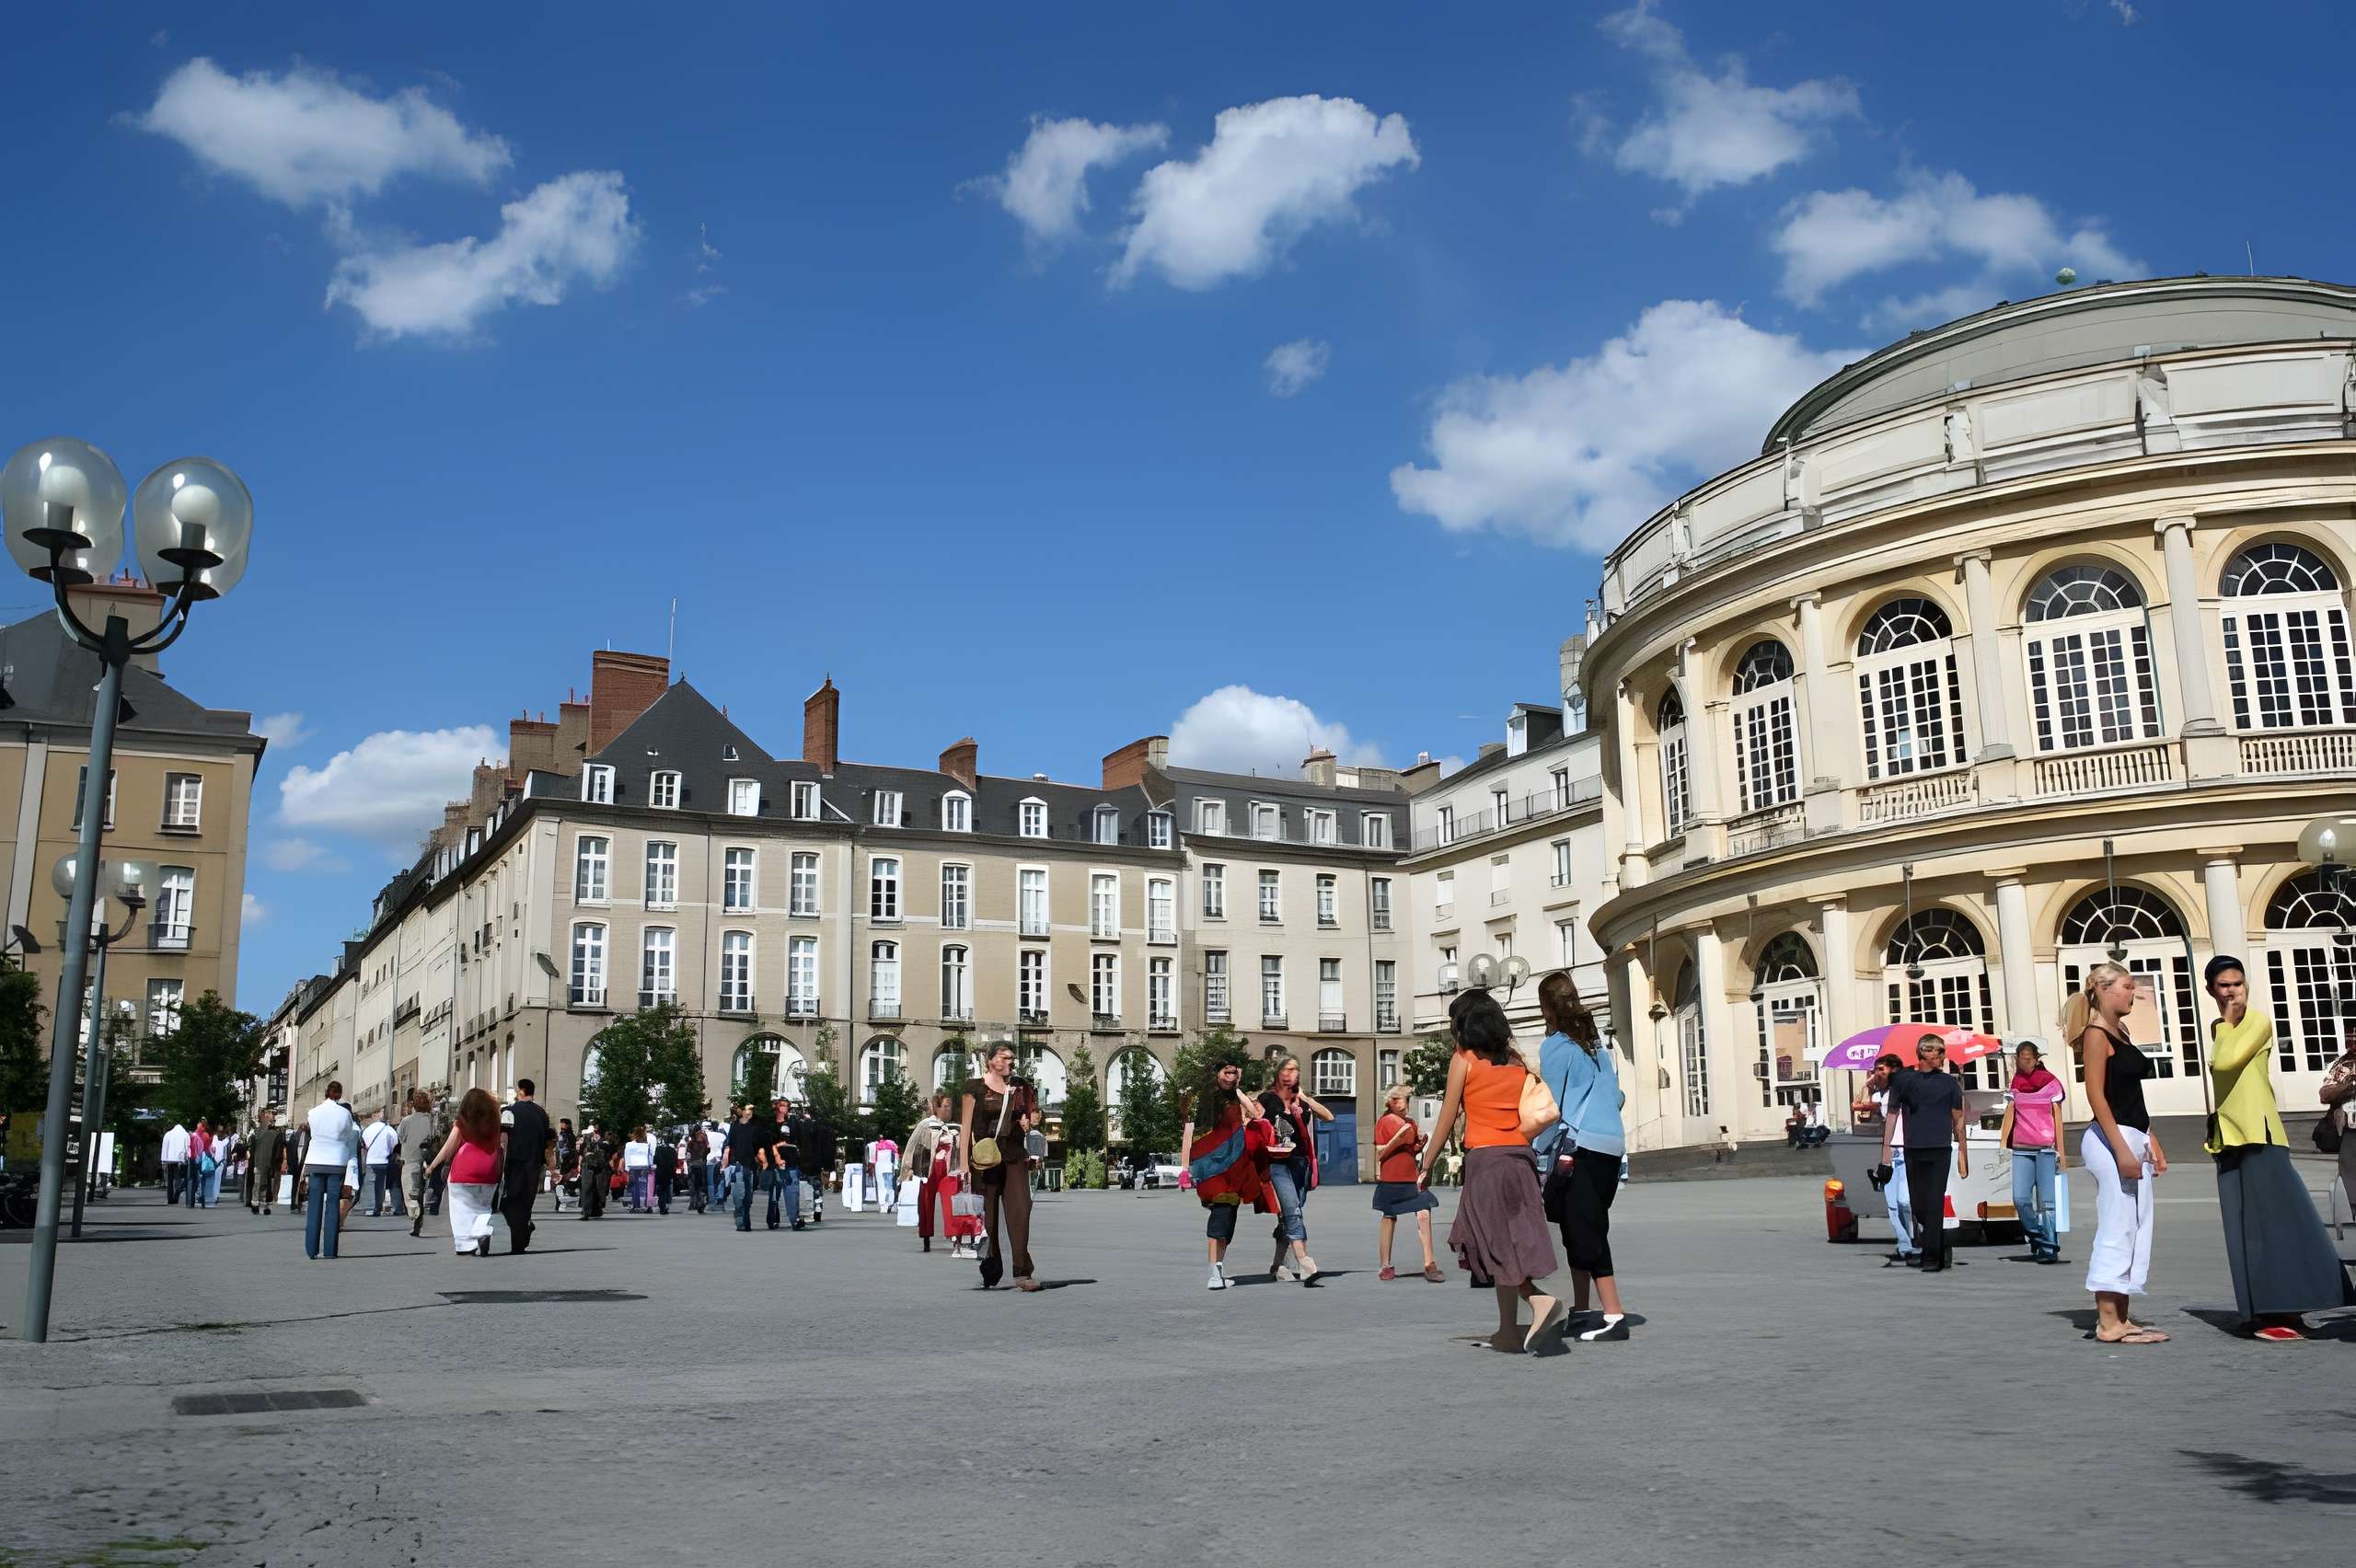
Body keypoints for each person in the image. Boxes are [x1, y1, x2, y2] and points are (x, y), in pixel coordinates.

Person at [2203, 957, 2355, 1339]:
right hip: (2229, 1137)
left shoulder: (2255, 1021)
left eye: (2238, 983)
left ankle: (2286, 1309)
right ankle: (2263, 1311)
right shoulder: (2219, 1027)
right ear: (2210, 991)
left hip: (2260, 1134)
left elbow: (2225, 1062)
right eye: (2224, 985)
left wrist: (2226, 1025)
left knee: (2282, 1224)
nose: (2233, 991)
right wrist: (2223, 1027)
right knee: (2246, 1231)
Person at [1418, 989, 1565, 1353]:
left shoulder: (1463, 1059)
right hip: (1521, 1159)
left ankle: (1536, 1300)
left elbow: (1447, 1116)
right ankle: (1507, 1332)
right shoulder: (1516, 1061)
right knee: (1509, 1239)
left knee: (1490, 1241)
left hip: (1486, 1162)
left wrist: (1427, 1162)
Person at [2069, 963, 2168, 1344]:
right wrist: (2121, 1148)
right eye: (2128, 987)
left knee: (2136, 1224)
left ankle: (2121, 1317)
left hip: (2132, 1133)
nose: (2134, 993)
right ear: (2105, 990)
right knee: (2117, 1223)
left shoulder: (2121, 1032)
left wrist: (2150, 1138)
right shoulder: (2096, 1034)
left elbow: (2131, 1095)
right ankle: (2107, 1321)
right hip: (2111, 1138)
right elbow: (2096, 1095)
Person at [1536, 971, 1629, 1340]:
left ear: (1546, 1008)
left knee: (1587, 1231)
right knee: (1580, 1226)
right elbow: (1618, 1096)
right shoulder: (1596, 1045)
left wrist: (1533, 1146)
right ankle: (1582, 1309)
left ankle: (1615, 1317)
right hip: (1611, 1145)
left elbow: (1550, 1106)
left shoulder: (1556, 1046)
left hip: (1582, 1147)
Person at [1185, 1055, 1276, 1290]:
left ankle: (1217, 1269)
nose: (1230, 1077)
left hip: (1235, 1166)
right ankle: (1214, 1273)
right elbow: (1190, 1129)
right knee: (1220, 1217)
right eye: (1226, 1072)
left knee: (1229, 1220)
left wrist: (1239, 1089)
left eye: (1234, 1073)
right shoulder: (1206, 1097)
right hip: (1213, 1166)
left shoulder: (1235, 1096)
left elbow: (1255, 1115)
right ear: (1216, 1073)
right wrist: (1185, 1167)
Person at [1880, 1036, 1968, 1274]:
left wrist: (1963, 1153)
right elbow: (1892, 1115)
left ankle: (1931, 1257)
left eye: (1942, 1051)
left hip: (1940, 1149)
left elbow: (1958, 1118)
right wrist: (1885, 1153)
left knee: (1934, 1202)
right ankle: (1940, 1246)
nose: (1939, 1055)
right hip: (1913, 1149)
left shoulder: (1949, 1084)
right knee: (1917, 1205)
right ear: (1921, 1052)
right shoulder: (1905, 1081)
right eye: (1934, 1050)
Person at [957, 1043, 1040, 1290]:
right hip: (984, 1161)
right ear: (991, 1060)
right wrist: (963, 1166)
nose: (1011, 1063)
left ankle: (1022, 1273)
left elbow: (1031, 1116)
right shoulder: (974, 1087)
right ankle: (991, 1269)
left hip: (1014, 1155)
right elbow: (965, 1128)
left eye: (1013, 1059)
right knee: (989, 1219)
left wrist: (1030, 1122)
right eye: (1005, 1058)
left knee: (1021, 1210)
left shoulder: (1022, 1087)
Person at [1258, 1055, 1332, 1285]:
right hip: (1277, 1162)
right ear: (1279, 1073)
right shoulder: (1268, 1098)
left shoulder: (1302, 1100)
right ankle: (1305, 1262)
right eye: (1289, 1069)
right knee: (1292, 1211)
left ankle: (1278, 1265)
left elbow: (1329, 1117)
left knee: (1288, 1217)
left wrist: (1305, 1098)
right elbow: (1253, 1118)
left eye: (1297, 1069)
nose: (1294, 1073)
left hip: (1300, 1162)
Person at [1998, 1043, 2067, 1264]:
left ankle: (2048, 1249)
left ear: (2037, 1059)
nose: (2026, 1062)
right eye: (2022, 1059)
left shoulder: (2051, 1083)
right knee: (2020, 1198)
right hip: (2021, 1148)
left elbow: (2057, 1119)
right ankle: (2039, 1237)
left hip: (2046, 1148)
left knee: (2047, 1202)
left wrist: (2062, 1152)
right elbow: (2010, 1114)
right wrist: (2002, 1145)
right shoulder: (2016, 1084)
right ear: (2016, 1059)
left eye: (2030, 1059)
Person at [425, 1087, 505, 1259]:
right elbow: (502, 1147)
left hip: (464, 1168)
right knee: (482, 1206)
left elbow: (448, 1147)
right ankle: (482, 1228)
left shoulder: (463, 1123)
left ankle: (464, 1243)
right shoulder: (495, 1123)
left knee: (460, 1207)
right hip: (489, 1169)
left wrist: (432, 1166)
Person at [1370, 1085, 1439, 1283]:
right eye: (1397, 1100)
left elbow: (1409, 1149)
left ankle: (1430, 1263)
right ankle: (1385, 1264)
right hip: (1391, 1176)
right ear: (1389, 1103)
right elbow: (1380, 1151)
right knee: (1389, 1216)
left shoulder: (1410, 1123)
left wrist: (1417, 1147)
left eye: (1405, 1100)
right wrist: (1399, 1138)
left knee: (1424, 1211)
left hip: (1410, 1175)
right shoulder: (1384, 1122)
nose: (1402, 1104)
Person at [300, 1083, 360, 1260]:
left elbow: (312, 1132)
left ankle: (311, 1249)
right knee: (333, 1204)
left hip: (316, 1160)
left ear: (326, 1093)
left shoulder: (314, 1112)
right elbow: (349, 1135)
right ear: (339, 1095)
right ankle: (330, 1250)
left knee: (314, 1205)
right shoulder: (344, 1113)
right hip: (336, 1162)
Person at [1866, 1055, 1916, 1265]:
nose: (1877, 1073)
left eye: (1881, 1069)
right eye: (1876, 1069)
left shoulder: (1908, 1091)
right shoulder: (1881, 1094)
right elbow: (1863, 1106)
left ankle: (1915, 1238)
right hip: (1890, 1152)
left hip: (1908, 1150)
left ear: (1894, 1070)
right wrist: (1868, 1086)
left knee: (1905, 1201)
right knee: (1892, 1204)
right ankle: (1904, 1243)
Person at [500, 1079, 554, 1252]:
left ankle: (519, 1239)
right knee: (525, 1203)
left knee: (509, 1201)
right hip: (534, 1166)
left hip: (514, 1164)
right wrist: (550, 1164)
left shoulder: (509, 1112)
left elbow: (503, 1139)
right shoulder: (541, 1114)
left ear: (521, 1091)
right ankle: (520, 1238)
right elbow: (548, 1141)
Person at [906, 1093, 953, 1252]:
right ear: (937, 1107)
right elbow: (912, 1145)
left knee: (951, 1200)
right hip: (929, 1167)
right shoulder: (925, 1124)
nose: (948, 1109)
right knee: (926, 1201)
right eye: (945, 1106)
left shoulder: (947, 1127)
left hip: (946, 1167)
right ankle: (926, 1236)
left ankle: (955, 1235)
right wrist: (907, 1168)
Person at [395, 1091, 439, 1239]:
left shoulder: (406, 1121)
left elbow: (400, 1138)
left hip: (411, 1159)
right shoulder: (432, 1120)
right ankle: (417, 1224)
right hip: (430, 1160)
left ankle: (415, 1218)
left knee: (412, 1193)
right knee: (421, 1192)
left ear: (413, 1104)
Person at [2324, 1021, 2356, 1221]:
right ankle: (2354, 1208)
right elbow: (2325, 1093)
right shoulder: (2342, 1064)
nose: (2351, 1044)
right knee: (2350, 1169)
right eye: (2349, 1039)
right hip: (2351, 1128)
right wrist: (2347, 1086)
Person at [724, 1104, 767, 1231]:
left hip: (751, 1167)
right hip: (738, 1165)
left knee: (748, 1198)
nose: (749, 1113)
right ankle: (740, 1222)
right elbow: (729, 1145)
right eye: (747, 1111)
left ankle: (746, 1221)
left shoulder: (755, 1128)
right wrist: (726, 1162)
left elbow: (760, 1146)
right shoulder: (735, 1126)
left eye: (751, 1111)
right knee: (738, 1196)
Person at [768, 1099, 802, 1230]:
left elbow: (798, 1141)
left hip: (790, 1163)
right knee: (774, 1194)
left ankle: (794, 1220)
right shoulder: (770, 1126)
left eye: (787, 1106)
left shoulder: (793, 1123)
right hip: (774, 1164)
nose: (785, 1108)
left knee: (792, 1192)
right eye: (782, 1106)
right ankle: (772, 1219)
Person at [245, 1109, 285, 1216]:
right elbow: (252, 1148)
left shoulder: (276, 1134)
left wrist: (277, 1162)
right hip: (261, 1162)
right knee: (259, 1184)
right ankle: (257, 1205)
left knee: (266, 1185)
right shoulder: (258, 1133)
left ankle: (265, 1205)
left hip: (268, 1163)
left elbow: (278, 1149)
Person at [358, 1109, 397, 1216]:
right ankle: (378, 1207)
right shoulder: (389, 1129)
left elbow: (364, 1142)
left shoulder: (368, 1129)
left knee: (370, 1184)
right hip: (384, 1160)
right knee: (381, 1184)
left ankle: (371, 1207)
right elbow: (394, 1144)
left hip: (371, 1160)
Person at [576, 1124, 611, 1220]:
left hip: (599, 1168)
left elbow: (608, 1153)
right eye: (594, 1131)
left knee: (598, 1189)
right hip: (588, 1167)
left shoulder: (604, 1143)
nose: (594, 1133)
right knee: (587, 1188)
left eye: (596, 1131)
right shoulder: (587, 1141)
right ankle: (586, 1212)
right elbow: (581, 1153)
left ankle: (596, 1209)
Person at [187, 1118, 219, 1207]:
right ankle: (203, 1196)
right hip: (203, 1159)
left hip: (194, 1159)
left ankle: (194, 1198)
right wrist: (213, 1160)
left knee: (195, 1179)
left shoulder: (193, 1135)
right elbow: (208, 1148)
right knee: (203, 1179)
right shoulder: (205, 1135)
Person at [621, 1126, 653, 1212]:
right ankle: (646, 1205)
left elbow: (627, 1156)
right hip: (644, 1166)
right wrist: (650, 1166)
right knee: (645, 1186)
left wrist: (627, 1168)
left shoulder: (629, 1145)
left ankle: (636, 1205)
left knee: (635, 1186)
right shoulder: (647, 1145)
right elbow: (650, 1156)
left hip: (633, 1167)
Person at [551, 1116, 578, 1214]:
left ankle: (562, 1201)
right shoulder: (562, 1134)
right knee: (559, 1183)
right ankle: (560, 1202)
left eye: (563, 1123)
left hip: (567, 1161)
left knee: (561, 1183)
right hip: (561, 1161)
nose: (561, 1125)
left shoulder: (569, 1135)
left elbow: (571, 1150)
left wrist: (571, 1161)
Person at [160, 1121, 190, 1205]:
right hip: (180, 1160)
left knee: (170, 1179)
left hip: (169, 1160)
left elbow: (164, 1148)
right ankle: (176, 1194)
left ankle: (170, 1198)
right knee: (178, 1178)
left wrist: (163, 1160)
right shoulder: (185, 1134)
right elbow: (187, 1147)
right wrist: (187, 1159)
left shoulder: (168, 1134)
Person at [651, 1127, 676, 1216]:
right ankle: (665, 1205)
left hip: (660, 1171)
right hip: (668, 1171)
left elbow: (655, 1161)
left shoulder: (658, 1149)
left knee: (661, 1190)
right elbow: (675, 1162)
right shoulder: (672, 1150)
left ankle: (662, 1206)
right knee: (666, 1189)